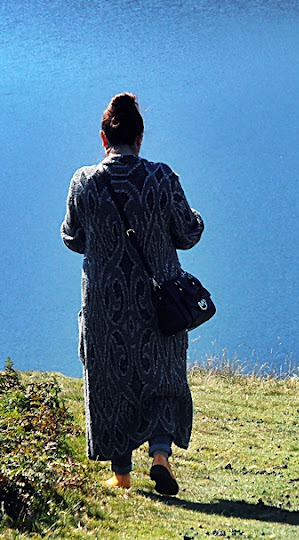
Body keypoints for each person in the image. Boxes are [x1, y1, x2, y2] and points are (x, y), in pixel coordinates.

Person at [61, 93, 205, 495]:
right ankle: (160, 456)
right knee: (163, 374)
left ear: (103, 139)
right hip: (159, 302)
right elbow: (188, 234)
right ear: (140, 139)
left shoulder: (83, 182)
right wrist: (197, 220)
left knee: (110, 379)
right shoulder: (162, 177)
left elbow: (73, 237)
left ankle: (121, 473)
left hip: (105, 303)